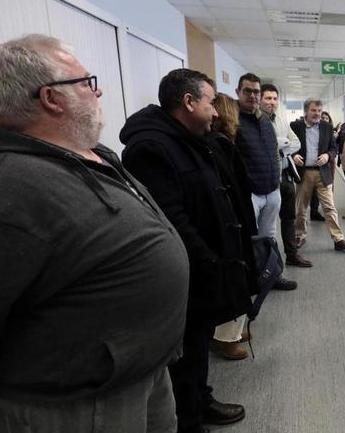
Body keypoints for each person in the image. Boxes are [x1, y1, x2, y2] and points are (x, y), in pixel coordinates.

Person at [0, 34, 187, 433]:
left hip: (140, 368)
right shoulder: (4, 183)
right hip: (79, 400)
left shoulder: (90, 153)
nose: (97, 90)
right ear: (51, 97)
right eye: (85, 82)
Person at [121, 68, 252, 432]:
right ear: (189, 102)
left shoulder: (190, 139)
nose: (215, 113)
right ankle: (188, 421)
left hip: (206, 268)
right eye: (211, 103)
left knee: (197, 348)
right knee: (184, 355)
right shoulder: (151, 149)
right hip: (189, 272)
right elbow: (173, 221)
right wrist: (210, 263)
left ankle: (201, 399)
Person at [205, 93, 256, 361]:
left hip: (234, 220)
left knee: (239, 278)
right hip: (231, 222)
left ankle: (232, 332)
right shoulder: (219, 143)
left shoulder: (221, 142)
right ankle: (226, 338)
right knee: (234, 279)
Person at [234, 74, 297, 289]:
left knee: (269, 236)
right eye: (247, 91)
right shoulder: (233, 122)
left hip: (272, 189)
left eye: (256, 91)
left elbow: (274, 154)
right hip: (250, 193)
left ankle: (272, 275)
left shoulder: (266, 121)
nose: (253, 95)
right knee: (249, 238)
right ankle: (250, 282)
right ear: (238, 92)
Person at [259, 83, 313, 268]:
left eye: (274, 99)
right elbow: (259, 147)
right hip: (265, 178)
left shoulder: (281, 120)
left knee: (288, 218)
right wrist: (279, 145)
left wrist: (281, 149)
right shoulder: (255, 120)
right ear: (260, 99)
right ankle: (268, 263)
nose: (272, 102)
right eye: (268, 98)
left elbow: (296, 143)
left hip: (285, 175)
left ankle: (291, 254)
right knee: (267, 223)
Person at [291, 98, 345, 251]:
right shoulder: (295, 126)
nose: (317, 114)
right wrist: (293, 156)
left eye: (319, 111)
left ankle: (338, 239)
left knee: (330, 207)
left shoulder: (327, 127)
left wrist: (328, 156)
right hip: (304, 173)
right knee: (301, 208)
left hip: (322, 173)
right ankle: (300, 236)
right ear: (306, 111)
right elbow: (288, 145)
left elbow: (334, 148)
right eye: (313, 110)